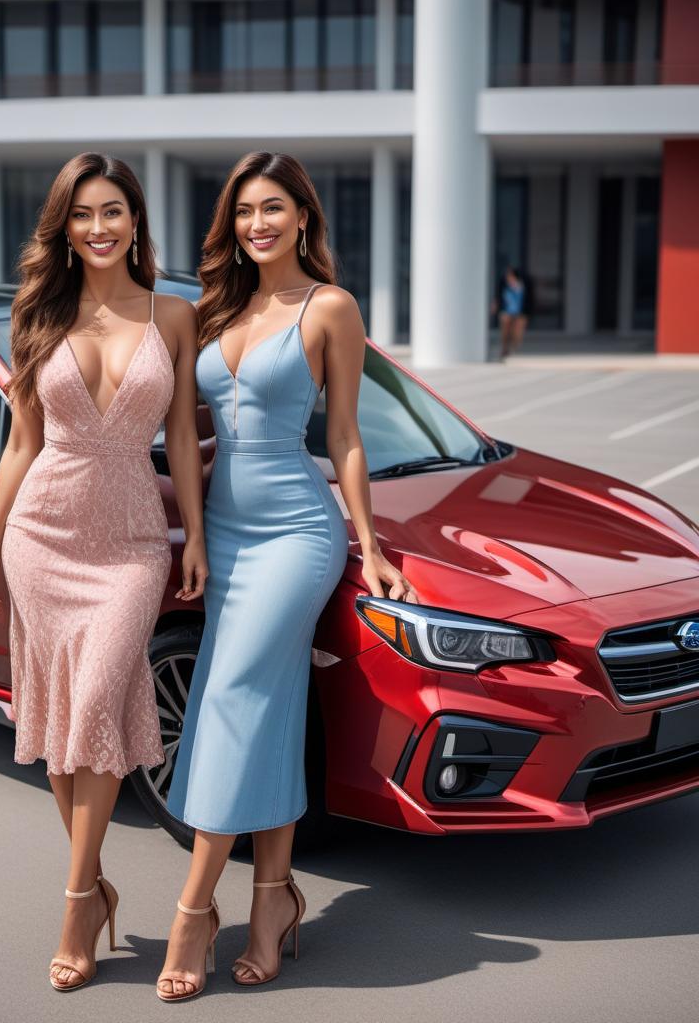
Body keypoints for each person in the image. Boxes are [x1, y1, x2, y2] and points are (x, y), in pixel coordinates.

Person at [156, 151, 417, 1002]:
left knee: (229, 696)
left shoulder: (328, 307)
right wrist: (194, 532)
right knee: (262, 710)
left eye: (273, 208)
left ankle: (194, 910)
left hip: (298, 532)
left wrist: (369, 545)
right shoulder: (217, 307)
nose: (256, 224)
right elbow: (185, 423)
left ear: (304, 215)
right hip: (225, 534)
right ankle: (274, 901)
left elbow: (343, 435)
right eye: (242, 212)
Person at [0, 152, 206, 992]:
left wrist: (195, 538)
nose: (99, 228)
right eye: (82, 215)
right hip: (44, 532)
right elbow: (22, 443)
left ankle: (77, 900)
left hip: (135, 541)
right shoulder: (38, 314)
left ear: (136, 222)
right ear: (63, 229)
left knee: (99, 699)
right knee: (63, 732)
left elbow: (180, 437)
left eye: (113, 212)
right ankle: (94, 885)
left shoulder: (174, 316)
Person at [493, 265, 529, 360]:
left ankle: (514, 348)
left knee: (517, 333)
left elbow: (529, 299)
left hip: (520, 313)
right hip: (507, 312)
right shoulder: (503, 285)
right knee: (505, 332)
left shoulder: (523, 285)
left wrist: (527, 313)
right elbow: (498, 297)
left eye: (510, 276)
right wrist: (496, 306)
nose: (508, 278)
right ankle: (504, 349)